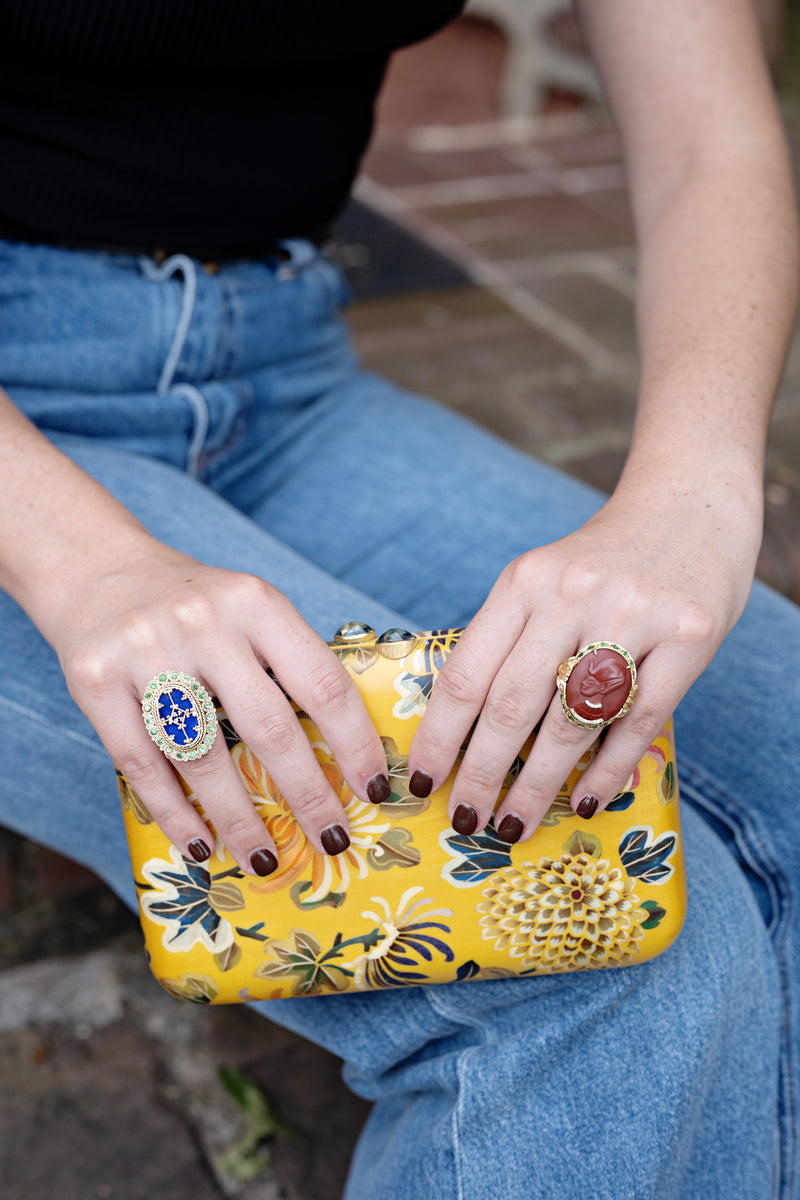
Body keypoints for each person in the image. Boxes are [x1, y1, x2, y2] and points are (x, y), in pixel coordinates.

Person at [1, 1, 798, 1196]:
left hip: (279, 366)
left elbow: (709, 140)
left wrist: (695, 497)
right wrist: (87, 562)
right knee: (566, 950)